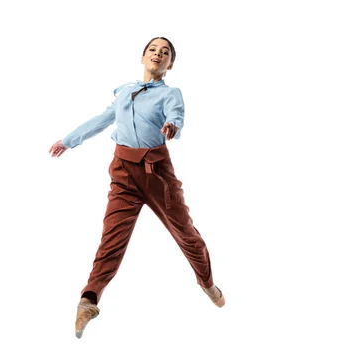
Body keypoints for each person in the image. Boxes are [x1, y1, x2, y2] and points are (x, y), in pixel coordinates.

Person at [48, 37, 225, 339]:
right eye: (153, 50)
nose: (158, 54)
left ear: (171, 64)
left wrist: (172, 126)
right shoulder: (125, 92)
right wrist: (68, 140)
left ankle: (207, 282)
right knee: (111, 238)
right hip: (123, 173)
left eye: (165, 52)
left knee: (184, 232)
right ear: (143, 57)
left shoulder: (170, 93)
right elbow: (102, 120)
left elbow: (175, 115)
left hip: (156, 173)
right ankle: (88, 300)